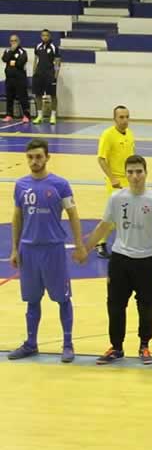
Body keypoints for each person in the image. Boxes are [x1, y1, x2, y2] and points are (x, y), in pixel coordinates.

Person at [84, 155, 152, 365]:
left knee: (146, 305)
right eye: (130, 172)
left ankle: (144, 344)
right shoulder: (116, 199)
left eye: (139, 172)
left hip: (148, 260)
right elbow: (104, 226)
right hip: (120, 259)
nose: (135, 176)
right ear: (126, 174)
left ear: (146, 173)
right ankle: (116, 347)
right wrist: (86, 248)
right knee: (115, 304)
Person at [7, 139, 86, 362]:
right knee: (32, 299)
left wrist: (79, 244)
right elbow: (17, 216)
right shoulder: (20, 185)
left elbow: (73, 214)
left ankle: (68, 344)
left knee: (62, 298)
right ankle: (31, 343)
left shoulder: (60, 184)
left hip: (53, 250)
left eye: (38, 157)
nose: (34, 161)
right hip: (29, 250)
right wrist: (15, 248)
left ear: (47, 157)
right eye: (30, 157)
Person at [94, 105, 136, 259]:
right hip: (115, 181)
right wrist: (112, 178)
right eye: (121, 117)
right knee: (116, 213)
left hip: (128, 180)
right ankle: (100, 243)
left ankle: (126, 242)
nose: (125, 120)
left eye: (127, 117)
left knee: (128, 212)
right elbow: (101, 159)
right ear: (114, 119)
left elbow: (131, 158)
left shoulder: (130, 134)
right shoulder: (108, 135)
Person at [32, 29, 61, 124]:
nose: (45, 37)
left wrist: (55, 75)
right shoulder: (37, 46)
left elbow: (57, 62)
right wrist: (34, 72)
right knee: (38, 95)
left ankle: (53, 116)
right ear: (41, 36)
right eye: (43, 35)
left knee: (53, 95)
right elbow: (35, 60)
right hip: (39, 74)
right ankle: (39, 115)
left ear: (50, 36)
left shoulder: (54, 47)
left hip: (50, 74)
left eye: (47, 35)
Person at [2, 34, 30, 123]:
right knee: (9, 97)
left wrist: (11, 61)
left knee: (23, 97)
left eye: (15, 41)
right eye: (12, 41)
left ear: (19, 41)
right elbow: (4, 59)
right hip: (9, 78)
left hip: (20, 79)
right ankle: (9, 115)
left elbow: (20, 63)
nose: (13, 43)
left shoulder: (23, 51)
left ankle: (26, 115)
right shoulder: (7, 50)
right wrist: (11, 52)